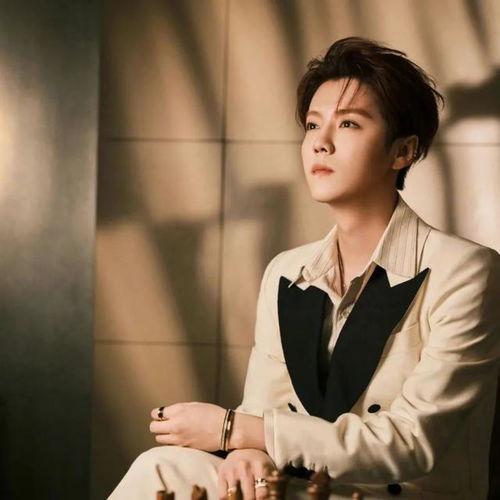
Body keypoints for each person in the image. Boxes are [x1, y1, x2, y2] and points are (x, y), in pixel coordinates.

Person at [108, 37, 500, 499]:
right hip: (305, 487)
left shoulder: (466, 271)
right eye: (313, 124)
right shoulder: (288, 271)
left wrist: (232, 431)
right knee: (159, 468)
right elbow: (262, 410)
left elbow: (411, 442)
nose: (320, 143)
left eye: (348, 124)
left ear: (403, 151)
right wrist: (247, 453)